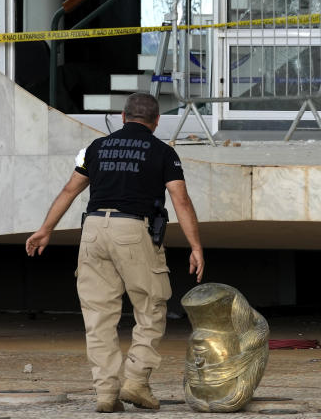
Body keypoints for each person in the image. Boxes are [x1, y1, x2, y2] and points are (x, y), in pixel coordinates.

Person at [25, 93, 205, 413]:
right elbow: (181, 199)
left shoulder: (97, 147)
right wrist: (195, 246)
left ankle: (106, 393)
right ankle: (136, 381)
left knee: (99, 317)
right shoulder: (163, 152)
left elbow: (70, 189)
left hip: (93, 230)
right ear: (156, 122)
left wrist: (45, 229)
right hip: (134, 230)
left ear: (123, 117)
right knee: (150, 307)